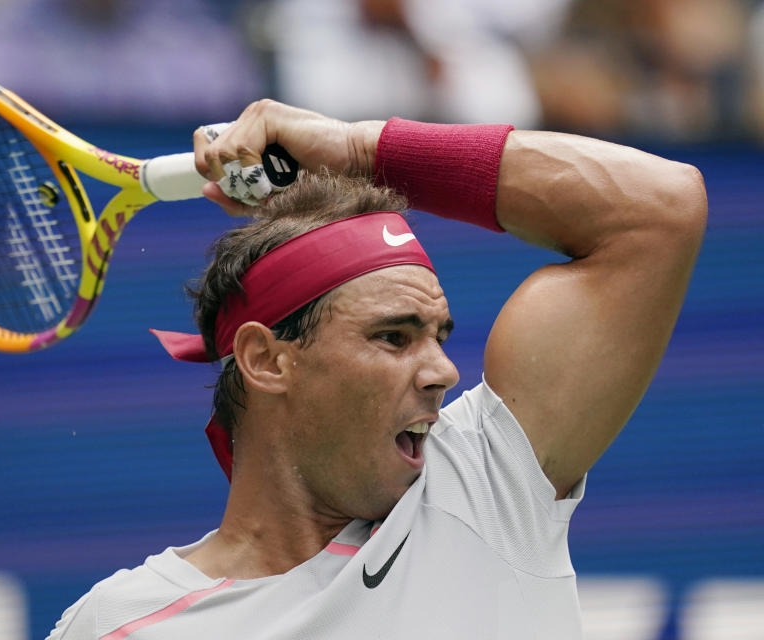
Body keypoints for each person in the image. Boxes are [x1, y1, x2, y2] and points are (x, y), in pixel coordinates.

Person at [46, 100, 706, 638]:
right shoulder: (119, 625)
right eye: (394, 337)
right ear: (267, 360)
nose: (443, 371)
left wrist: (360, 150)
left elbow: (658, 209)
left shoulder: (488, 480)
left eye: (439, 336)